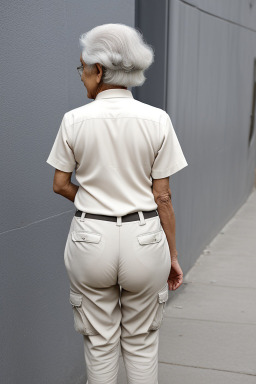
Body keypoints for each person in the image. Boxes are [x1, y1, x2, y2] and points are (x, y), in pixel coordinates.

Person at [46, 23, 188, 384]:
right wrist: (171, 256)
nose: (81, 77)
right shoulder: (157, 120)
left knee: (99, 343)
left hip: (91, 237)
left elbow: (60, 184)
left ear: (99, 70)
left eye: (83, 68)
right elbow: (163, 197)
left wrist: (95, 200)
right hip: (144, 238)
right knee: (141, 343)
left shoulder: (74, 120)